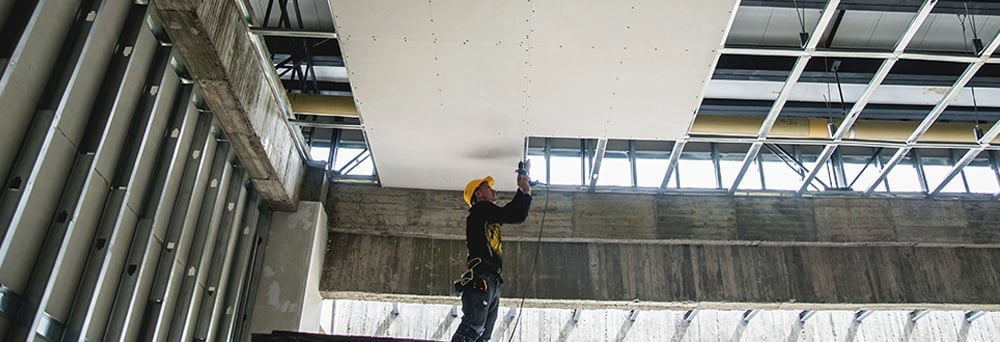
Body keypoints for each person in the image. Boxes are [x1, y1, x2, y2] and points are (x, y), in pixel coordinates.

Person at [452, 172, 532, 342]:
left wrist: (522, 190)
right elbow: (514, 215)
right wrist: (525, 192)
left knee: (480, 334)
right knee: (473, 329)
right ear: (478, 194)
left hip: (491, 280)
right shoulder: (480, 210)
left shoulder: (487, 217)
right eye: (488, 187)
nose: (494, 190)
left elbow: (509, 213)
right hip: (483, 277)